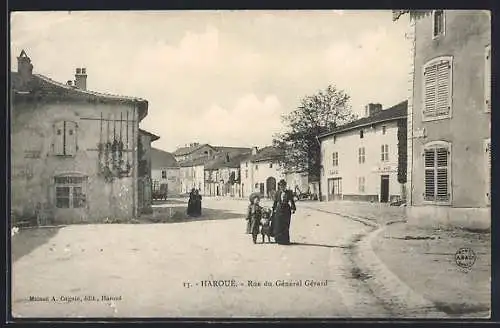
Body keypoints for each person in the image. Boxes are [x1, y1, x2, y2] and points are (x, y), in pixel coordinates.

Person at [271, 179, 296, 245]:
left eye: (283, 186)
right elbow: (275, 202)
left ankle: (285, 240)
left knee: (286, 225)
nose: (282, 187)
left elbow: (292, 201)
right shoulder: (277, 193)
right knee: (279, 225)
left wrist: (293, 208)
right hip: (279, 209)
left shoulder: (289, 193)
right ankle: (279, 240)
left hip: (287, 210)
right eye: (281, 186)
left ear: (285, 186)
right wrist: (273, 209)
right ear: (279, 186)